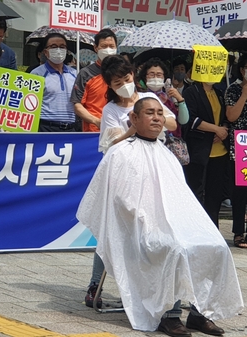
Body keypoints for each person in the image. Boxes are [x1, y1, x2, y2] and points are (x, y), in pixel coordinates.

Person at [77, 96, 243, 336]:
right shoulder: (120, 153)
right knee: (173, 247)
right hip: (138, 224)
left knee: (215, 244)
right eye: (149, 113)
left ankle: (200, 314)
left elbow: (180, 198)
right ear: (134, 118)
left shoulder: (167, 155)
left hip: (174, 220)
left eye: (159, 113)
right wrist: (149, 222)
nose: (156, 118)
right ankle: (170, 315)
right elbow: (120, 201)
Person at [86, 55, 177, 309]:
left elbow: (170, 121)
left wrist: (154, 117)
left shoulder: (150, 99)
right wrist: (131, 127)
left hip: (155, 167)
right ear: (110, 86)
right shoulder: (111, 110)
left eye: (127, 79)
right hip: (126, 171)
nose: (125, 85)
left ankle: (151, 285)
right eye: (118, 82)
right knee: (113, 228)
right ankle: (96, 283)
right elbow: (108, 144)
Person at [182, 80, 229, 229]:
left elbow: (225, 118)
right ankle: (195, 229)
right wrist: (216, 129)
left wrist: (223, 130)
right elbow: (191, 119)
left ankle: (213, 230)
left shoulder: (219, 93)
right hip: (199, 150)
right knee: (196, 192)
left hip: (219, 150)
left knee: (214, 196)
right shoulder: (191, 91)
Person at [70, 28, 118, 132]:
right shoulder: (86, 74)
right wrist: (96, 121)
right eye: (104, 46)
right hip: (93, 131)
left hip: (119, 130)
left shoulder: (122, 73)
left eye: (111, 46)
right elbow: (77, 105)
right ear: (96, 48)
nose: (108, 49)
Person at [31, 33, 77, 132]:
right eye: (53, 47)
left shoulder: (75, 74)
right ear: (45, 52)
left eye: (62, 47)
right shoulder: (37, 74)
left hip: (71, 128)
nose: (58, 50)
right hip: (46, 128)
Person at [225, 53, 247, 248]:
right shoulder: (233, 90)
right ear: (242, 69)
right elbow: (232, 116)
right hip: (241, 146)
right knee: (240, 191)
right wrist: (245, 94)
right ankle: (239, 231)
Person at [138, 57, 189, 138]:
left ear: (164, 77)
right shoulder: (140, 97)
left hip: (171, 143)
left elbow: (183, 120)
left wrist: (180, 99)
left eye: (159, 75)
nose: (155, 77)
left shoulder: (170, 97)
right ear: (145, 77)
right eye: (151, 74)